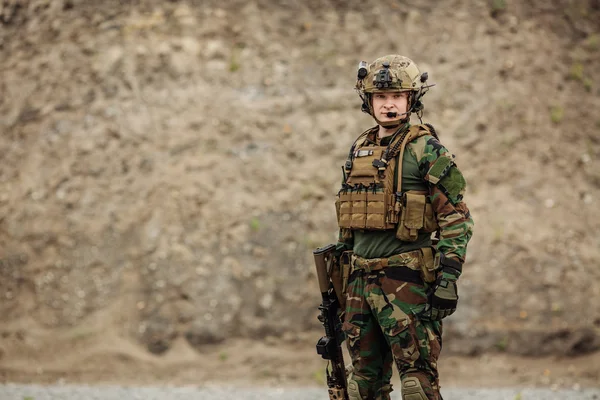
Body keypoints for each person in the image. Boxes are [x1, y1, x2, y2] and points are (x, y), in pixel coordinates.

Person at [334, 55, 474, 400]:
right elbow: (350, 218)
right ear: (369, 101)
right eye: (381, 98)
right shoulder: (360, 147)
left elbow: (456, 218)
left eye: (398, 97)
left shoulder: (426, 148)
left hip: (406, 282)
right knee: (360, 384)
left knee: (417, 384)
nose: (389, 104)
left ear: (412, 100)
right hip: (359, 283)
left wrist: (448, 278)